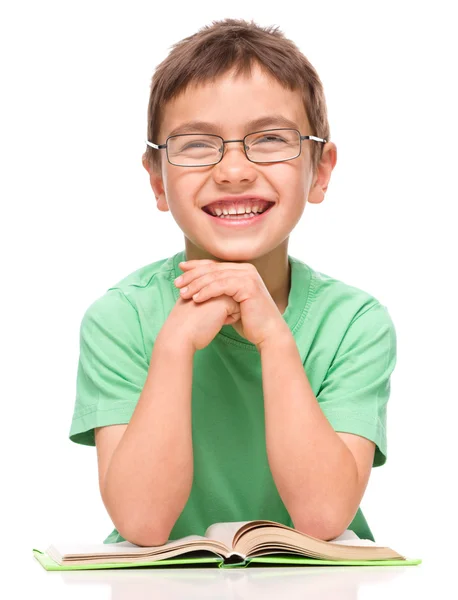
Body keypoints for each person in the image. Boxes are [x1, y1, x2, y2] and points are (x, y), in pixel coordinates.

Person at [69, 18, 396, 547]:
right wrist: (174, 345)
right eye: (197, 145)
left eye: (269, 139)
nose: (234, 171)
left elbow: (323, 516)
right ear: (157, 179)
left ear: (321, 171)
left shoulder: (354, 323)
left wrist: (274, 338)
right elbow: (143, 523)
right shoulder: (120, 319)